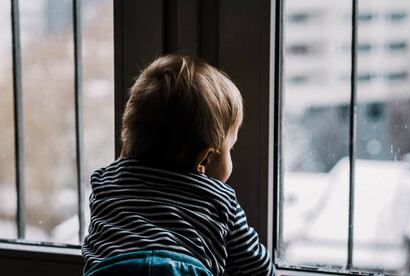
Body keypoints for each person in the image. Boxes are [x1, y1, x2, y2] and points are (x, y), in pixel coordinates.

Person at [82, 55, 276, 275]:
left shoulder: (105, 181)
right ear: (204, 160)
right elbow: (257, 268)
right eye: (230, 149)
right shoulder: (221, 199)